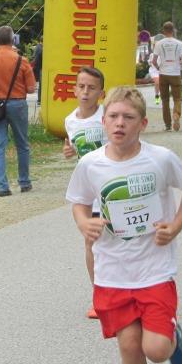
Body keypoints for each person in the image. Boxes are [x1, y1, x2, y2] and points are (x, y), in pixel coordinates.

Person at [66, 86, 182, 364]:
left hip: (154, 269)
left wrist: (175, 226)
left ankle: (173, 336)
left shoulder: (160, 159)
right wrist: (83, 223)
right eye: (113, 116)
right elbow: (78, 201)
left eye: (128, 117)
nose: (119, 123)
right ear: (103, 122)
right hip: (112, 271)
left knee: (156, 349)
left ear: (142, 124)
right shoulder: (90, 164)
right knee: (129, 347)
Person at [61, 66, 106, 319]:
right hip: (88, 190)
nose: (86, 92)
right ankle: (98, 296)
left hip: (110, 186)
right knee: (91, 241)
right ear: (75, 90)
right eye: (81, 86)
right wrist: (69, 152)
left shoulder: (107, 115)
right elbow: (75, 150)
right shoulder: (70, 120)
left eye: (91, 87)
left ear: (101, 92)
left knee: (117, 240)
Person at [0, 25, 36, 197]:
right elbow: (31, 88)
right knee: (22, 144)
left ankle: (2, 186)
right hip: (18, 104)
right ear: (12, 40)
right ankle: (24, 181)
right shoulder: (21, 60)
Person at [150, 22, 182, 131]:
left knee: (165, 100)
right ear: (173, 30)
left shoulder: (159, 44)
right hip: (175, 73)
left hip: (163, 74)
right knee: (177, 98)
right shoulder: (179, 43)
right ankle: (176, 114)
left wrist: (159, 68)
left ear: (163, 31)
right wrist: (177, 63)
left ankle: (167, 125)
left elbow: (154, 61)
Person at [31, 37, 43, 106]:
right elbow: (38, 59)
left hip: (38, 68)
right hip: (40, 68)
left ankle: (39, 99)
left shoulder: (38, 47)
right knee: (41, 85)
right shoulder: (40, 48)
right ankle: (40, 100)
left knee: (41, 85)